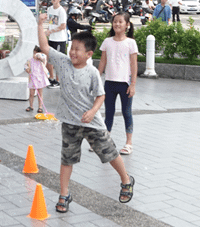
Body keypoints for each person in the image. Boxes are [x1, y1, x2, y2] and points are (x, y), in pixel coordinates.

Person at [37, 14, 134, 213]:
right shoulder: (63, 62)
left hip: (91, 123)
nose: (72, 52)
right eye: (72, 48)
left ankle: (126, 180)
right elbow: (45, 47)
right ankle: (64, 194)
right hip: (70, 123)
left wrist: (92, 112)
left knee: (110, 154)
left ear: (89, 54)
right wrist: (40, 25)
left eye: (77, 50)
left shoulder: (91, 73)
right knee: (67, 160)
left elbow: (101, 96)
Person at [97, 12, 138, 155]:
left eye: (121, 22)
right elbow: (103, 62)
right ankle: (105, 141)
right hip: (109, 83)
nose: (117, 24)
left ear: (127, 25)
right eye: (115, 21)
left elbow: (134, 65)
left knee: (126, 112)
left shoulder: (130, 43)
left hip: (125, 84)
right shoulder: (107, 42)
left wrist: (133, 84)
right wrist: (97, 79)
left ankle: (128, 143)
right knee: (109, 112)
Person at [45, 0, 67, 88]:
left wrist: (51, 31)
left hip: (60, 39)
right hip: (51, 39)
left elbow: (63, 26)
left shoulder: (61, 11)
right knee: (49, 59)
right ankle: (52, 78)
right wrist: (47, 31)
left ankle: (58, 81)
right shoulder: (49, 9)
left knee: (58, 60)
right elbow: (51, 23)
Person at [25, 46, 49, 113]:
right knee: (31, 93)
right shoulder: (30, 60)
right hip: (32, 78)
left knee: (40, 93)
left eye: (36, 53)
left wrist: (39, 56)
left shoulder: (42, 60)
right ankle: (31, 106)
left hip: (40, 79)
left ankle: (40, 107)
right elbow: (26, 66)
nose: (34, 55)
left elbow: (44, 58)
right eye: (34, 53)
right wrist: (27, 69)